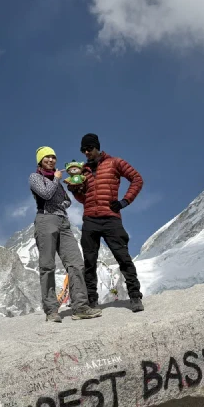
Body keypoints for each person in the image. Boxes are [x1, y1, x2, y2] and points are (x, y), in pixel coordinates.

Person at [66, 133, 145, 312]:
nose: (86, 152)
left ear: (97, 147)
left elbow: (137, 179)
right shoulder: (82, 170)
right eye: (83, 150)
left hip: (111, 218)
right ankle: (92, 301)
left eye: (89, 148)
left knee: (123, 257)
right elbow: (84, 199)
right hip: (90, 219)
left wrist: (125, 201)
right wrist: (75, 191)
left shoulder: (115, 162)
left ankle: (135, 296)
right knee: (89, 262)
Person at [29, 146, 102, 323]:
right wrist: (55, 179)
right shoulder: (35, 177)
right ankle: (51, 310)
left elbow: (67, 201)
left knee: (76, 263)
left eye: (53, 157)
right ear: (40, 161)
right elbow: (46, 194)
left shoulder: (58, 181)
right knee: (47, 266)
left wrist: (63, 199)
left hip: (63, 222)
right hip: (46, 219)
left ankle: (80, 307)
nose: (51, 160)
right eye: (47, 157)